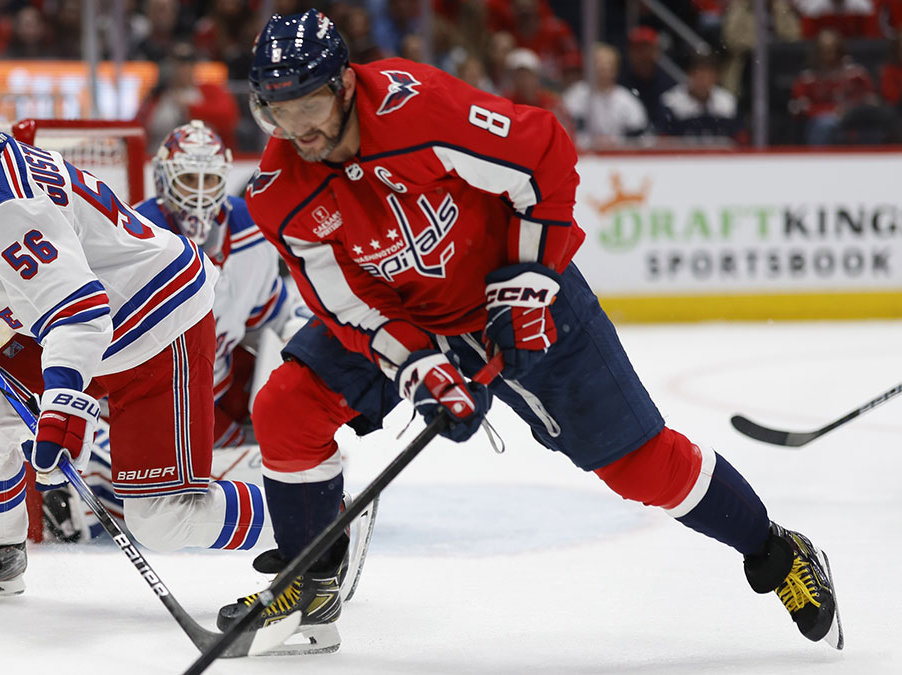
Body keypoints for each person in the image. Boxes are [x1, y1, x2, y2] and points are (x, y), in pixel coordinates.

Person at [221, 9, 844, 655]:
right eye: (279, 111)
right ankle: (311, 579)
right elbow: (349, 306)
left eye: (311, 104)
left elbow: (541, 155)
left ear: (346, 83)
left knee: (639, 465)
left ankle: (775, 549)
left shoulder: (419, 111)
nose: (299, 129)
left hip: (522, 291)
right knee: (287, 405)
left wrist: (526, 283)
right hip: (416, 318)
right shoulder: (280, 193)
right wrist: (417, 365)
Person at [0, 72, 272, 597]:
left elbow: (81, 313)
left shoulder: (11, 206)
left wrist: (63, 412)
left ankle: (314, 518)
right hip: (83, 324)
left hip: (155, 326)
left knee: (162, 521)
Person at [39, 120, 315, 541]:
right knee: (144, 502)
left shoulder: (252, 233)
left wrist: (318, 357)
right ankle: (98, 479)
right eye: (189, 178)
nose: (201, 194)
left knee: (288, 442)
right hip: (146, 393)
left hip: (215, 399)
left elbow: (274, 313)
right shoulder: (134, 233)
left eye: (210, 180)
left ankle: (305, 512)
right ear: (165, 179)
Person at [562, 42, 649, 148]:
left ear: (615, 69)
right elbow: (567, 130)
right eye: (599, 64)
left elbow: (639, 135)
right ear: (591, 67)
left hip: (619, 156)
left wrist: (617, 142)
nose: (603, 69)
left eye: (608, 65)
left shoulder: (626, 100)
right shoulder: (576, 95)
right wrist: (591, 142)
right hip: (583, 155)